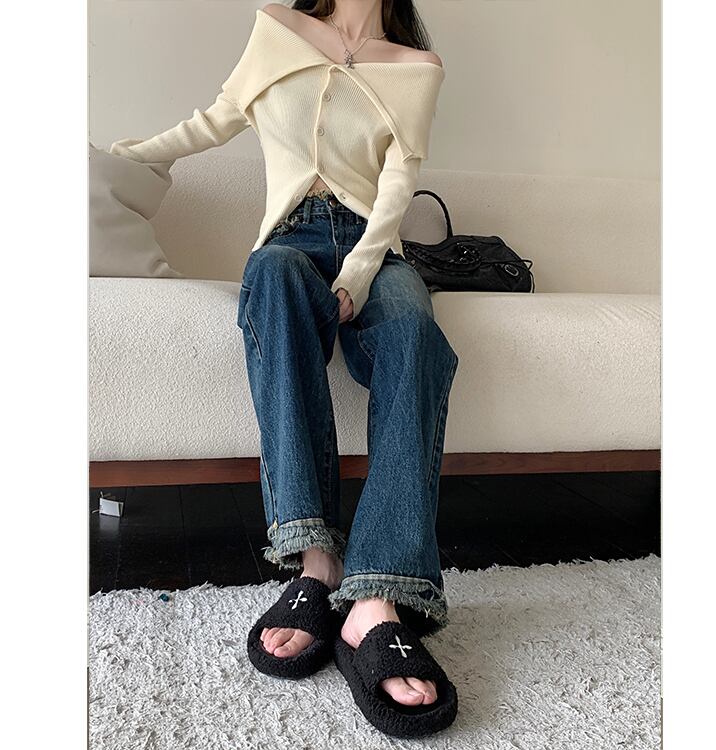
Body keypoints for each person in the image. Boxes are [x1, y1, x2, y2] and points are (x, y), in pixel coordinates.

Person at [110, 1, 459, 738]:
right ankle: (315, 561)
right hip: (290, 239)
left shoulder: (416, 67)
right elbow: (218, 117)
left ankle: (376, 599)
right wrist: (124, 157)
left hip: (377, 250)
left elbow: (398, 184)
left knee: (415, 335)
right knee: (270, 277)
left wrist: (359, 273)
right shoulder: (278, 28)